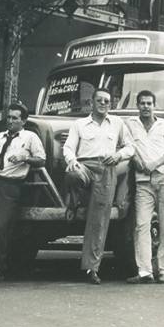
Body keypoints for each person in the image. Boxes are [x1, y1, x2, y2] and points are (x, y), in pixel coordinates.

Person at [63, 88, 134, 285]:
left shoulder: (117, 123)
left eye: (107, 101)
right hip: (84, 166)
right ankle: (73, 201)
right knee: (71, 174)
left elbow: (130, 147)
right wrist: (72, 160)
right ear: (92, 103)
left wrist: (118, 155)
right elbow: (68, 147)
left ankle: (90, 268)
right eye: (100, 100)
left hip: (106, 169)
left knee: (98, 220)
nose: (104, 104)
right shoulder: (79, 124)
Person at [0, 103, 46, 283]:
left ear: (23, 121)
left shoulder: (30, 137)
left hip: (10, 185)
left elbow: (41, 160)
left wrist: (25, 158)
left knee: (0, 227)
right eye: (9, 117)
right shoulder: (0, 136)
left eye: (15, 118)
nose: (11, 121)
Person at [124, 90, 164, 284]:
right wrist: (137, 160)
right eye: (142, 103)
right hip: (143, 182)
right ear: (137, 105)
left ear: (154, 106)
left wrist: (154, 164)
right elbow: (128, 146)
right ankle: (145, 271)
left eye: (149, 103)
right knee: (141, 225)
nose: (145, 107)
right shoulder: (131, 125)